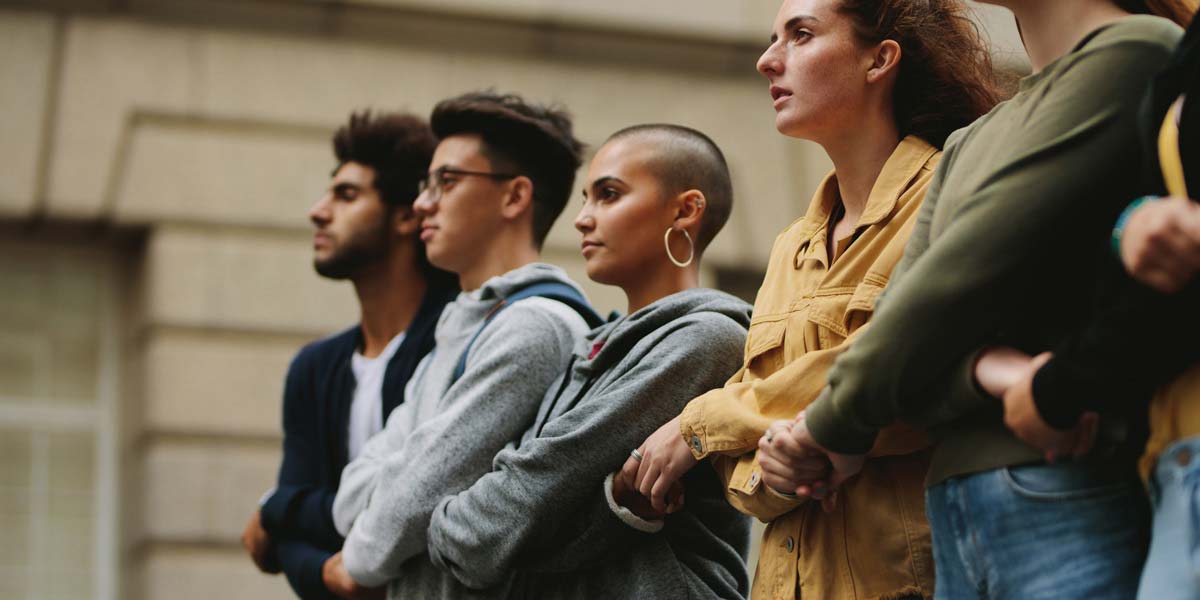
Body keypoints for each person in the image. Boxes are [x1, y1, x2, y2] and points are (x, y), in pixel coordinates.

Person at [770, 1, 1190, 598]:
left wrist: (830, 425)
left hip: (1064, 487)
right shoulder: (972, 139)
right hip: (951, 503)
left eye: (802, 34)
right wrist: (989, 371)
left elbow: (958, 285)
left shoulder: (1135, 50)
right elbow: (906, 320)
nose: (770, 58)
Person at [621, 1, 1001, 598]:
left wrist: (703, 422)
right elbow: (742, 466)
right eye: (773, 37)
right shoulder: (789, 248)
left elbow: (898, 367)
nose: (768, 60)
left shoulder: (946, 195)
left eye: (801, 35)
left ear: (880, 60)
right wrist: (782, 467)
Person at [424, 124, 754, 599]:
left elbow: (504, 514)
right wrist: (611, 502)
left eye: (609, 195)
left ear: (685, 211)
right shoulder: (594, 346)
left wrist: (463, 523)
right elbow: (526, 522)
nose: (582, 218)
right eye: (585, 198)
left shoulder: (706, 340)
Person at [325, 91, 601, 599]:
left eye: (447, 182)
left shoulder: (535, 327)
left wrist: (359, 563)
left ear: (514, 197)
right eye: (427, 183)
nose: (422, 202)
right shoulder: (459, 326)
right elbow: (352, 494)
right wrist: (403, 479)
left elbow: (413, 500)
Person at [971, 4, 1200, 598]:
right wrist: (1134, 225)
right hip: (1174, 462)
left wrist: (1056, 391)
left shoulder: (1136, 50)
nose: (770, 59)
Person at [238, 111, 457, 600]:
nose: (319, 211)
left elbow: (410, 505)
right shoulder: (315, 369)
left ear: (407, 215)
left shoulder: (454, 342)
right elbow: (286, 542)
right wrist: (325, 574)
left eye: (347, 196)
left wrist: (276, 508)